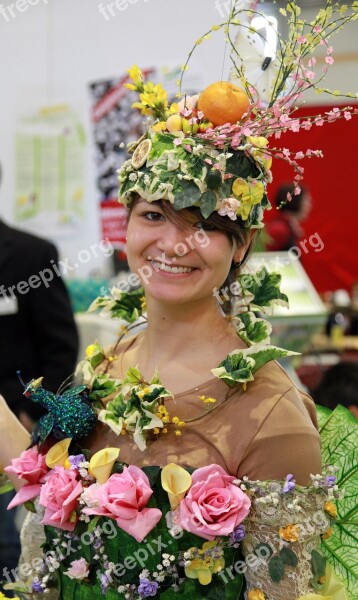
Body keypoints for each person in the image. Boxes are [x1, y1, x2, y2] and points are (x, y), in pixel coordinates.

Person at [1, 4, 357, 598]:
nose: (174, 243)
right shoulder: (108, 366)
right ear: (127, 227)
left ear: (241, 246)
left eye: (204, 225)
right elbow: (48, 515)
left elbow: (285, 589)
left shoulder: (273, 413)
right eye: (153, 215)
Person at [0, 162, 79, 593]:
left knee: (7, 542)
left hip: (13, 424)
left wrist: (33, 415)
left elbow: (60, 347)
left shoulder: (30, 255)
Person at [265, 183, 312, 252]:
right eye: (306, 200)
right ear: (295, 201)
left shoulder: (289, 227)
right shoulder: (279, 229)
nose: (309, 205)